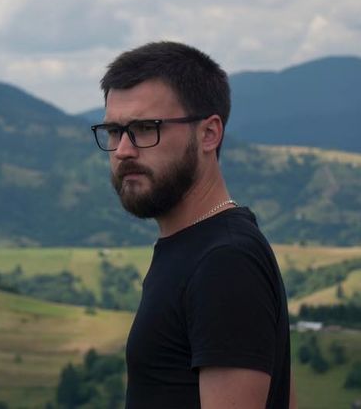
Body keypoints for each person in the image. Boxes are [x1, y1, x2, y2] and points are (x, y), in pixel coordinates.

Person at [91, 42, 294, 408]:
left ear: (209, 134)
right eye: (114, 131)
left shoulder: (225, 261)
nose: (123, 150)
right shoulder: (196, 247)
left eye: (144, 128)